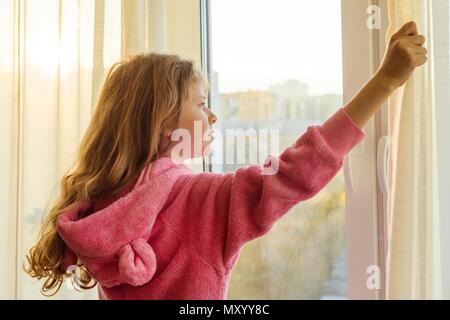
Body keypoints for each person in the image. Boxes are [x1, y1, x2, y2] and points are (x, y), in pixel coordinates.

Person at [24, 21, 427, 299]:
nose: (212, 116)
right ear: (164, 123)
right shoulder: (198, 201)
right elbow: (292, 174)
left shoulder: (101, 206)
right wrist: (384, 82)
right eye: (201, 104)